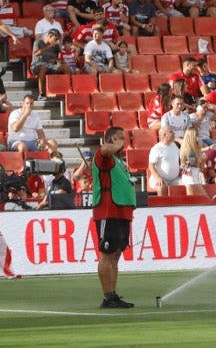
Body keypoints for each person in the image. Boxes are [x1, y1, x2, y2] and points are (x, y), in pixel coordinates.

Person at [91, 125, 136, 308]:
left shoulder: (117, 161)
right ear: (110, 139)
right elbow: (104, 150)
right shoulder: (105, 156)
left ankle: (113, 294)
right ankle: (107, 296)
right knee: (107, 253)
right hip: (108, 210)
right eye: (120, 138)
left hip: (121, 210)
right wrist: (114, 144)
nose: (124, 142)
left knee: (116, 253)